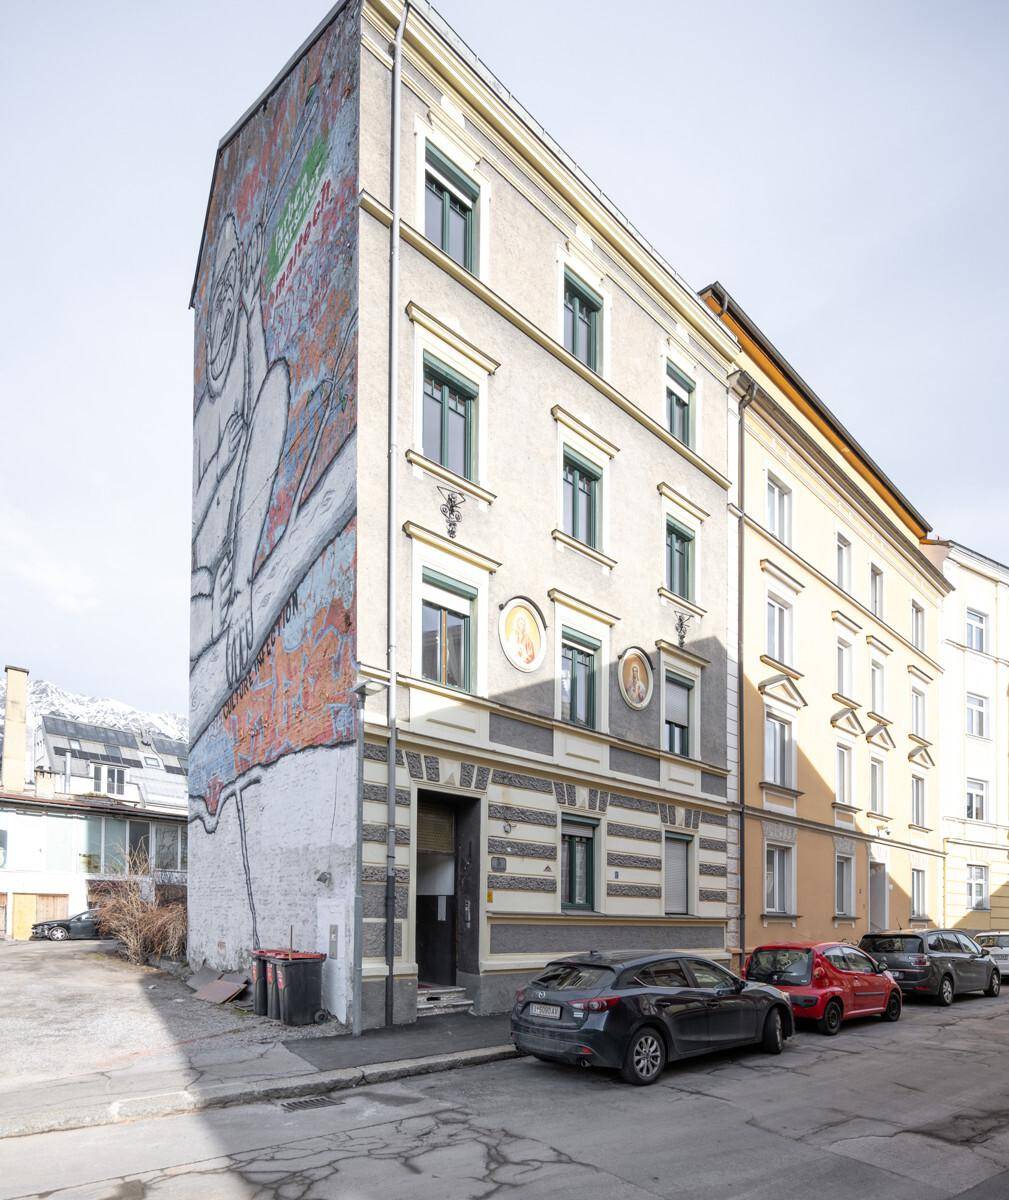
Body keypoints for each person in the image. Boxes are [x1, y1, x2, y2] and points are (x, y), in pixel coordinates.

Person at [191, 215, 291, 686]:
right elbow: (192, 522)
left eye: (233, 284)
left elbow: (264, 404)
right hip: (207, 586)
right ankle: (232, 594)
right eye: (224, 289)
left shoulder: (238, 360)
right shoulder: (201, 418)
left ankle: (242, 588)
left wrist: (253, 310)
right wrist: (216, 466)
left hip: (238, 556)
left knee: (277, 384)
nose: (228, 298)